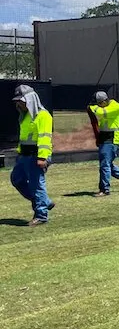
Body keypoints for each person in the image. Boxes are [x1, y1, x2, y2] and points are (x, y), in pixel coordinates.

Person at [11, 85, 54, 226]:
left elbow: (45, 138)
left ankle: (41, 215)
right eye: (17, 101)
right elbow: (24, 137)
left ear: (30, 100)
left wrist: (42, 158)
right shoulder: (24, 116)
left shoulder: (43, 115)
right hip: (24, 155)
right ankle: (44, 201)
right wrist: (19, 152)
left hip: (36, 156)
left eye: (21, 101)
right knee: (16, 179)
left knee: (37, 185)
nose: (19, 104)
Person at [89, 91, 119, 197]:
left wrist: (91, 108)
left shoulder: (115, 107)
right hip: (104, 137)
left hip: (112, 138)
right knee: (107, 165)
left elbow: (101, 112)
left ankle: (105, 190)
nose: (97, 105)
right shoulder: (105, 105)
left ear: (104, 101)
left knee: (105, 165)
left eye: (98, 103)